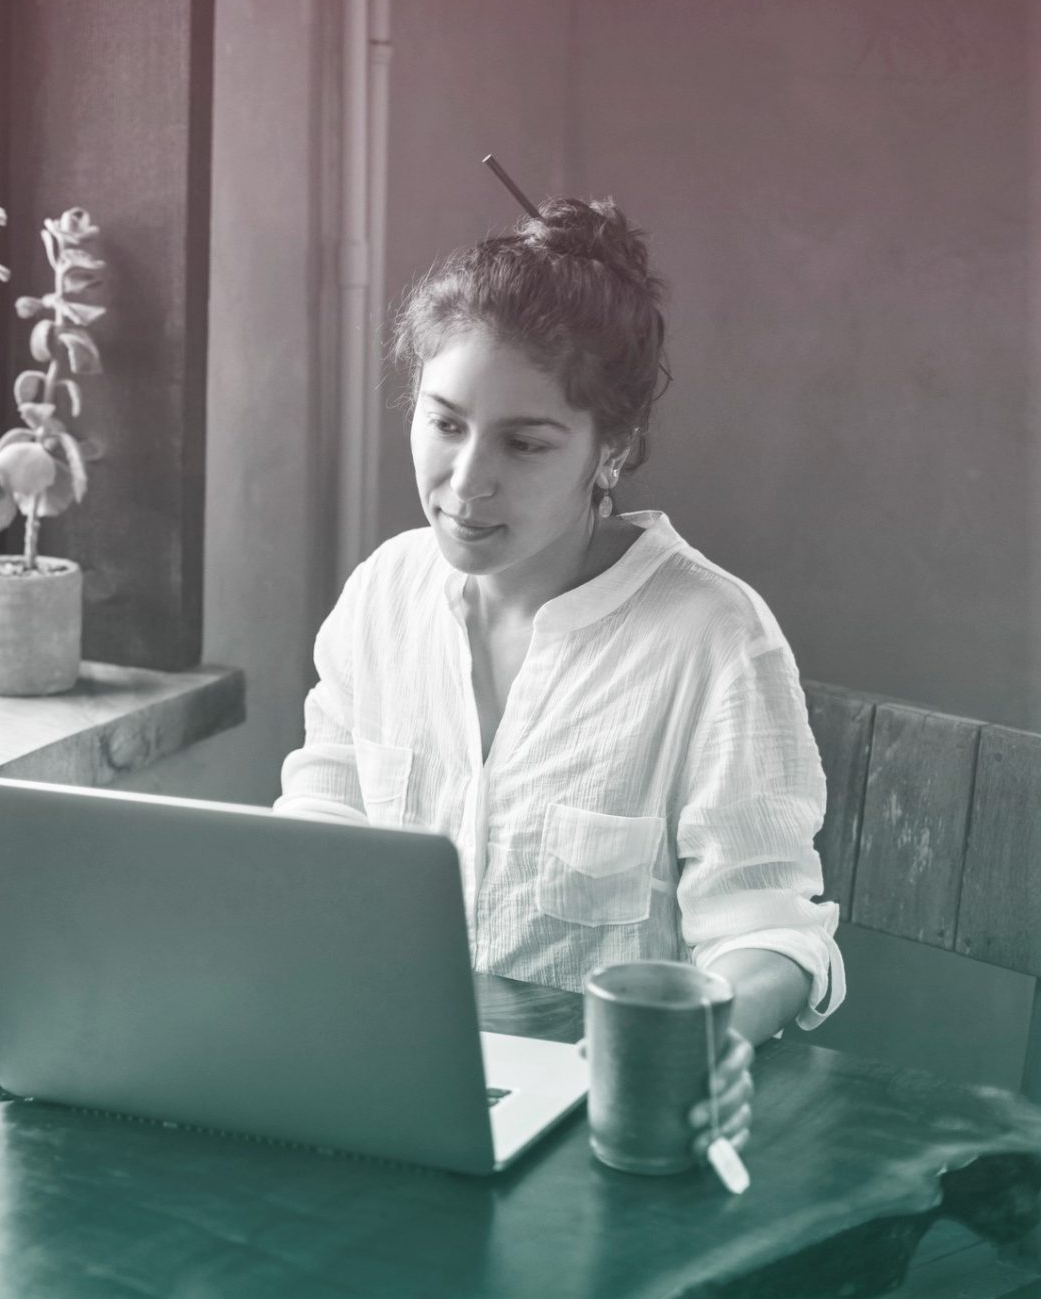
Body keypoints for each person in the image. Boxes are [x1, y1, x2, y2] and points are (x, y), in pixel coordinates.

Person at [276, 196, 845, 1164]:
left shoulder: (710, 638)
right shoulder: (382, 594)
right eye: (443, 424)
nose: (464, 482)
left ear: (609, 448)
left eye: (524, 443)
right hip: (384, 1095)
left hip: (603, 1133)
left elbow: (768, 929)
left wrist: (716, 1028)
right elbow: (319, 828)